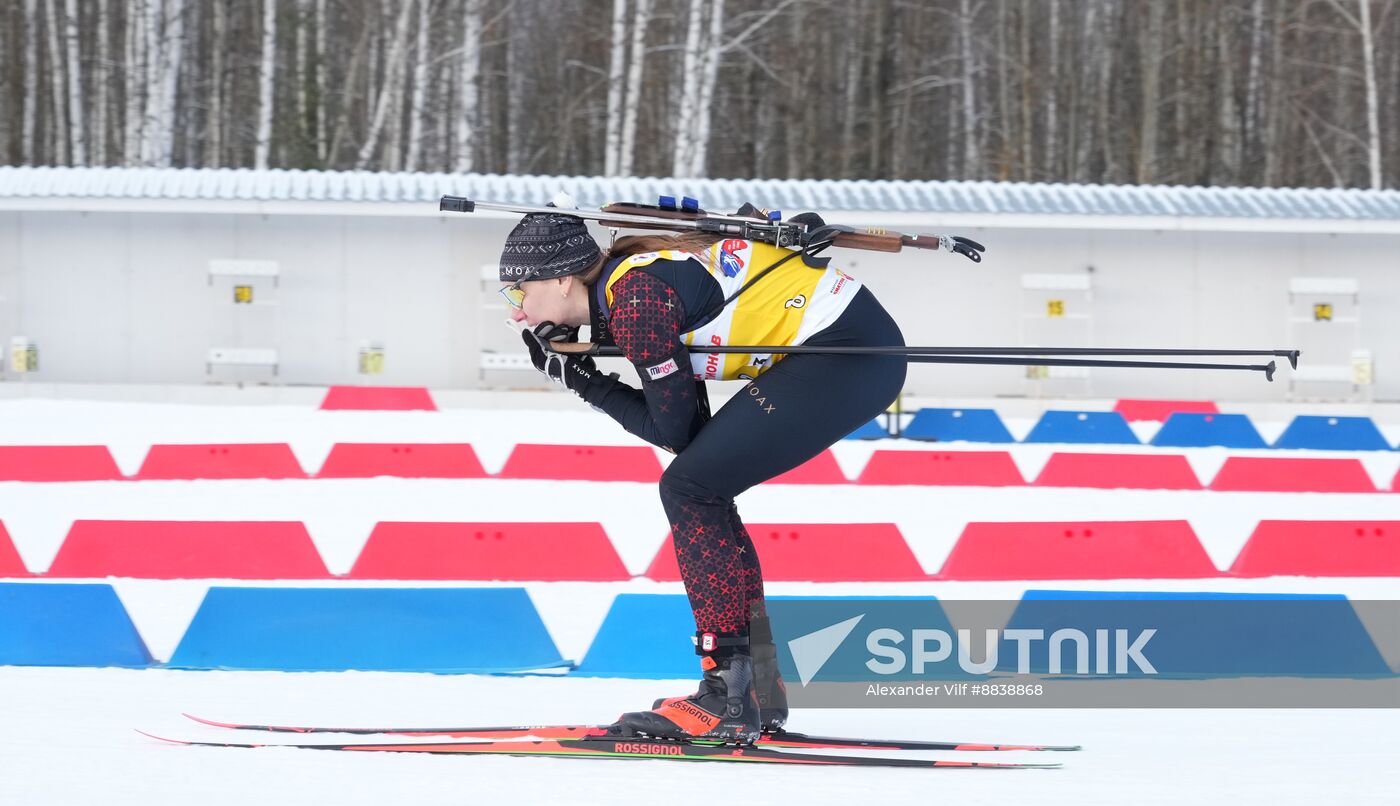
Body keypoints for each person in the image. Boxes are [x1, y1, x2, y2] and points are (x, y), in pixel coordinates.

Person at [497, 208, 905, 744]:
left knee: (689, 487)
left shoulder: (638, 301)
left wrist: (584, 381)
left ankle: (729, 696)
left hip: (846, 355)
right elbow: (691, 434)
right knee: (702, 484)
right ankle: (752, 687)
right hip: (847, 349)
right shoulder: (631, 282)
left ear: (562, 279)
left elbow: (673, 431)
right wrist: (585, 364)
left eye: (518, 291)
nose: (518, 309)